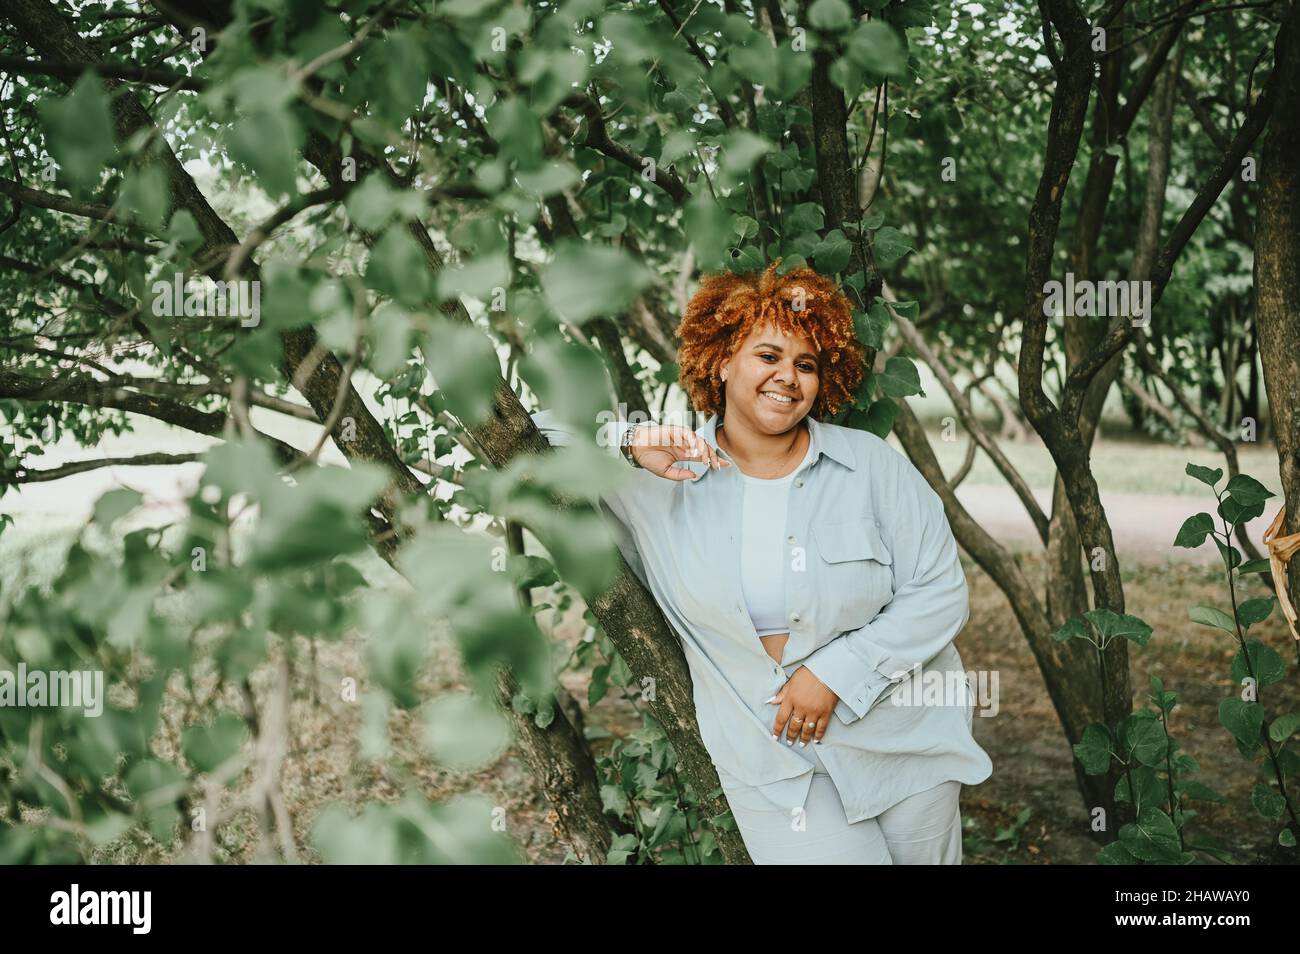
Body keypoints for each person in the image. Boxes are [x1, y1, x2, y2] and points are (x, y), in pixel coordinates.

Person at [531, 259, 992, 864]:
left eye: (806, 364)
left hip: (905, 741)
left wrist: (835, 674)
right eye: (768, 356)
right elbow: (517, 442)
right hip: (773, 762)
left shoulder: (871, 467)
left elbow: (938, 592)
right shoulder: (663, 474)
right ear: (721, 360)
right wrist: (624, 439)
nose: (788, 378)